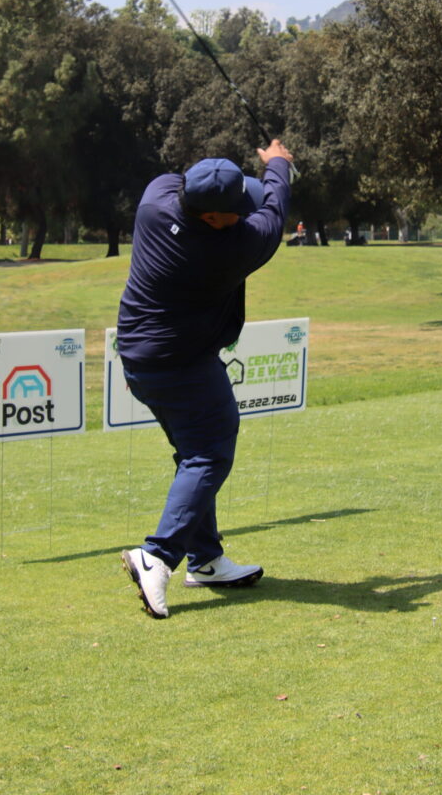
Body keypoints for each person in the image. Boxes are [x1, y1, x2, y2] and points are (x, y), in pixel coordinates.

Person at [117, 139, 293, 618]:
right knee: (211, 450)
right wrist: (278, 163)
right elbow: (274, 213)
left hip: (138, 356)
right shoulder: (228, 247)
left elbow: (239, 199)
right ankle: (158, 556)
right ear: (212, 218)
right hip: (181, 363)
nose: (242, 212)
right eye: (235, 208)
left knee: (192, 454)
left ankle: (208, 559)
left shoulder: (157, 196)